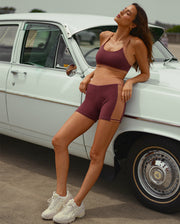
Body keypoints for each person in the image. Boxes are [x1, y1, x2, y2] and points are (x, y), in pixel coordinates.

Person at [41, 3, 153, 223]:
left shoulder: (135, 43)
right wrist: (88, 76)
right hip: (92, 96)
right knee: (59, 141)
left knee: (96, 154)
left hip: (113, 98)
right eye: (123, 9)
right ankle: (61, 195)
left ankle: (77, 205)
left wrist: (130, 80)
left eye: (127, 13)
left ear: (134, 23)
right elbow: (101, 66)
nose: (122, 12)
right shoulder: (105, 36)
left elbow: (146, 73)